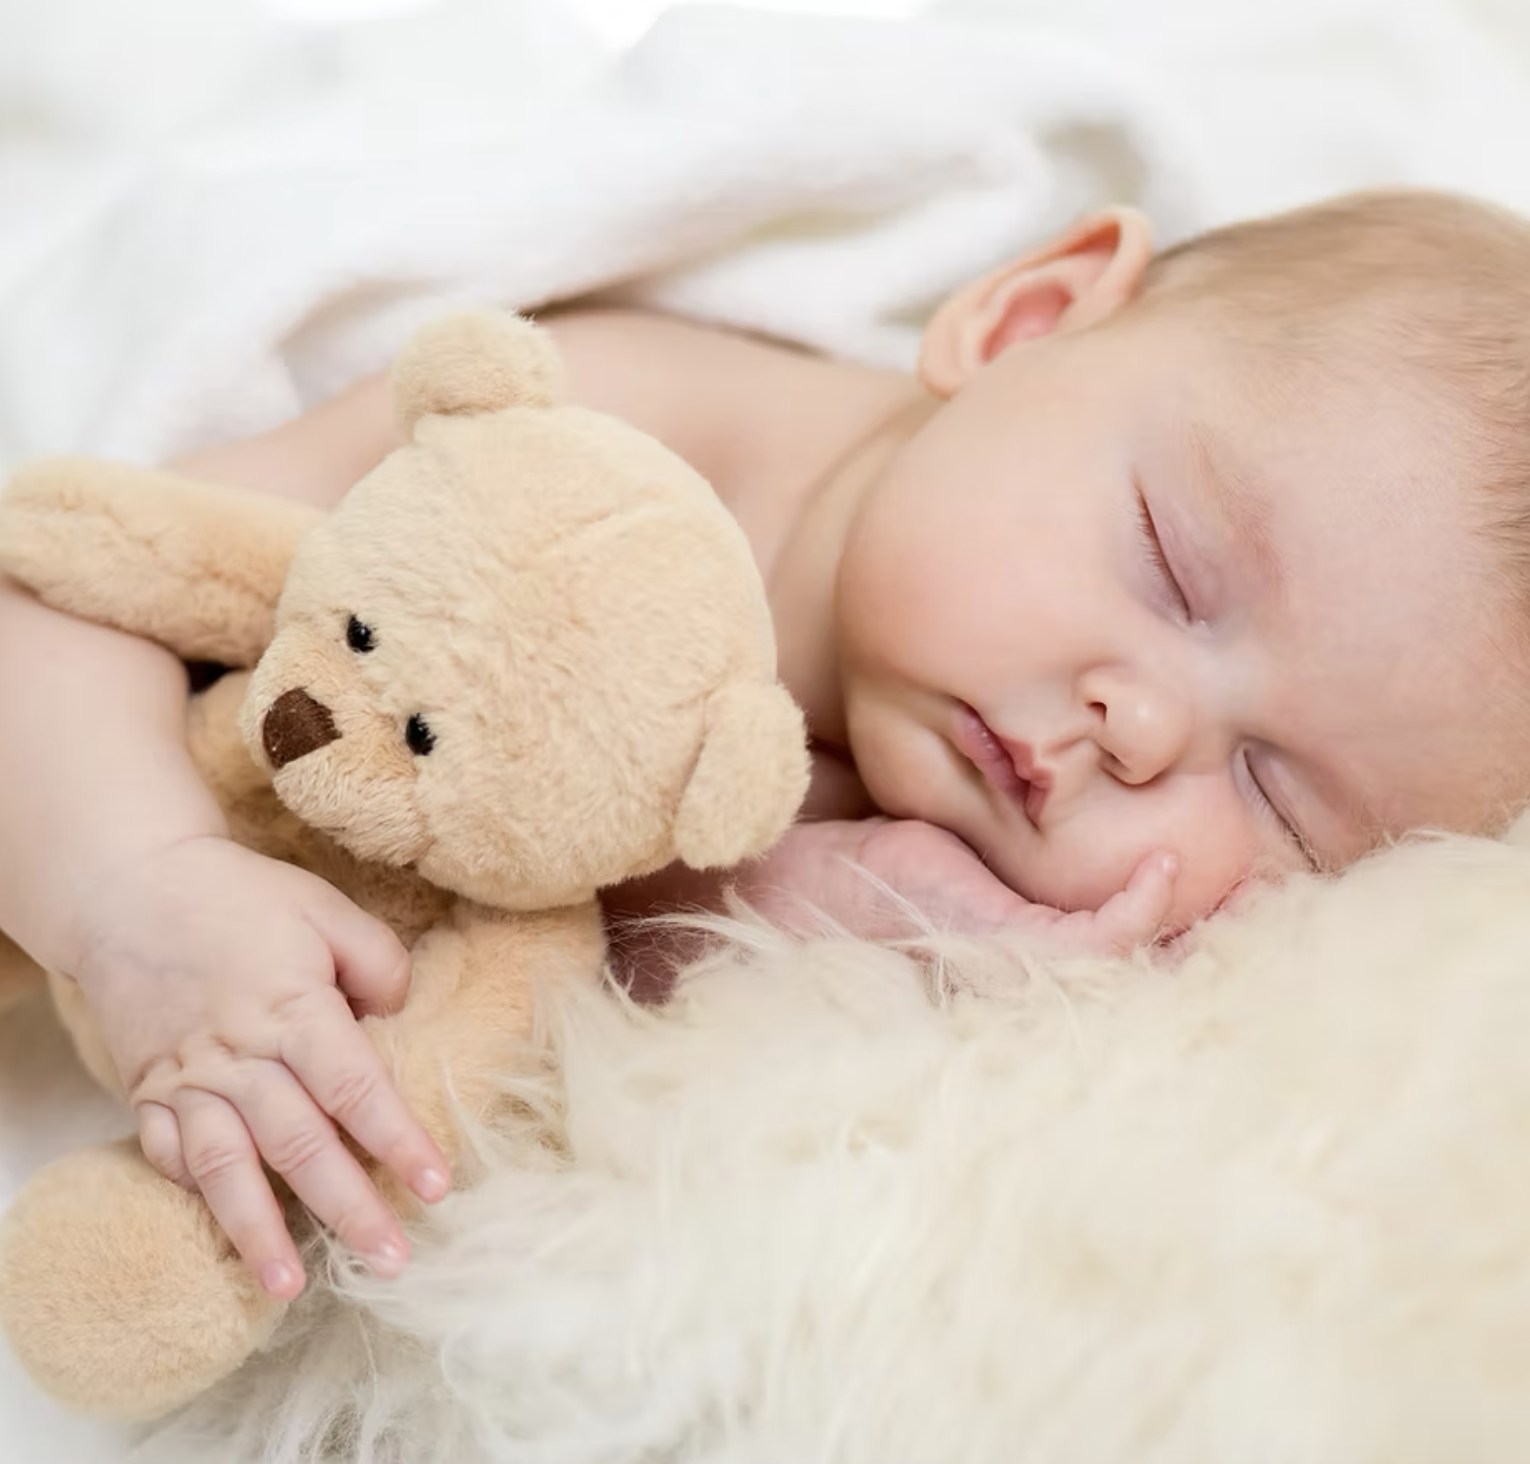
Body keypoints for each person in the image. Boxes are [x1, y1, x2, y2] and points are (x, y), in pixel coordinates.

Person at [2, 187, 1527, 1304]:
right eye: (1172, 565)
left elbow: (540, 952)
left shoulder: (957, 851)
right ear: (1023, 323)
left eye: (1273, 791)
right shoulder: (595, 446)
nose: (1142, 732)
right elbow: (63, 587)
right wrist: (137, 891)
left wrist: (812, 913)